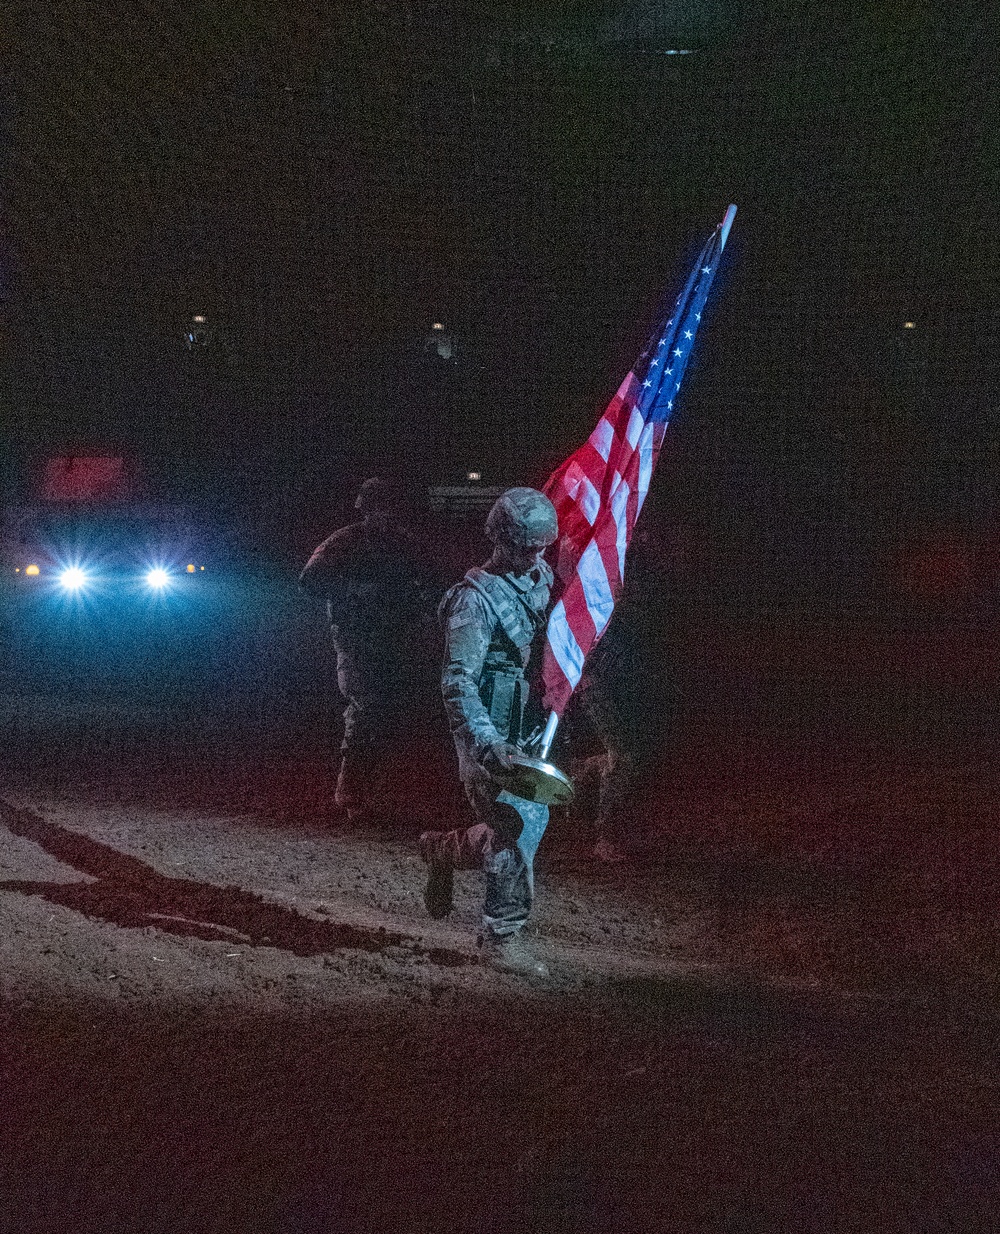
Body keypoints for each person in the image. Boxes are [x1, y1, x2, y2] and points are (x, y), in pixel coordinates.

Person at [418, 487, 558, 978]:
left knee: (510, 828)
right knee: (518, 825)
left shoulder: (541, 580)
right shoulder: (472, 602)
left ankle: (445, 848)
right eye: (525, 547)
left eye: (541, 547)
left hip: (529, 725)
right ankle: (500, 936)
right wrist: (483, 742)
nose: (535, 557)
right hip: (488, 732)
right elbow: (457, 682)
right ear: (501, 541)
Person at [299, 478, 439, 821]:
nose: (385, 517)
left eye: (389, 510)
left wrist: (419, 610)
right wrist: (355, 591)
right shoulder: (345, 541)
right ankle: (351, 794)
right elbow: (311, 580)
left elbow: (429, 582)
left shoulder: (406, 544)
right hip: (357, 638)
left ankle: (367, 790)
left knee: (387, 713)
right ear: (366, 509)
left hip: (396, 638)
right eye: (379, 509)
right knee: (365, 708)